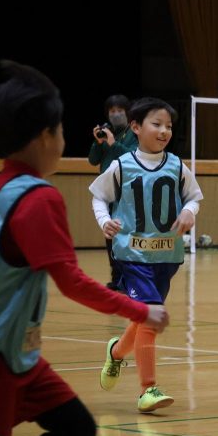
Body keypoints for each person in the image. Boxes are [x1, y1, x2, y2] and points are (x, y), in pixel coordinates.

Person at [0, 62, 169, 436]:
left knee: (77, 429)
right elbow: (72, 282)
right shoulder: (38, 198)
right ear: (43, 137)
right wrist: (141, 311)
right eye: (61, 129)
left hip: (18, 358)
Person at [90, 98, 202, 413]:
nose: (164, 131)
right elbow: (98, 196)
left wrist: (190, 212)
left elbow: (194, 198)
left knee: (144, 319)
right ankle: (147, 390)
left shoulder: (177, 166)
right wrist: (104, 221)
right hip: (132, 255)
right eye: (157, 124)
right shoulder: (121, 165)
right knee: (151, 315)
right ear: (136, 127)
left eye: (169, 126)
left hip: (166, 257)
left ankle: (116, 352)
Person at [87, 94, 139, 291]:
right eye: (112, 111)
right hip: (108, 191)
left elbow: (132, 158)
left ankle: (130, 279)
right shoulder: (108, 132)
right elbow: (93, 160)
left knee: (126, 236)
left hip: (127, 192)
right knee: (110, 235)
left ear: (128, 112)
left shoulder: (134, 133)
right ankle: (116, 278)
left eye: (119, 111)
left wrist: (113, 143)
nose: (115, 115)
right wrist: (98, 142)